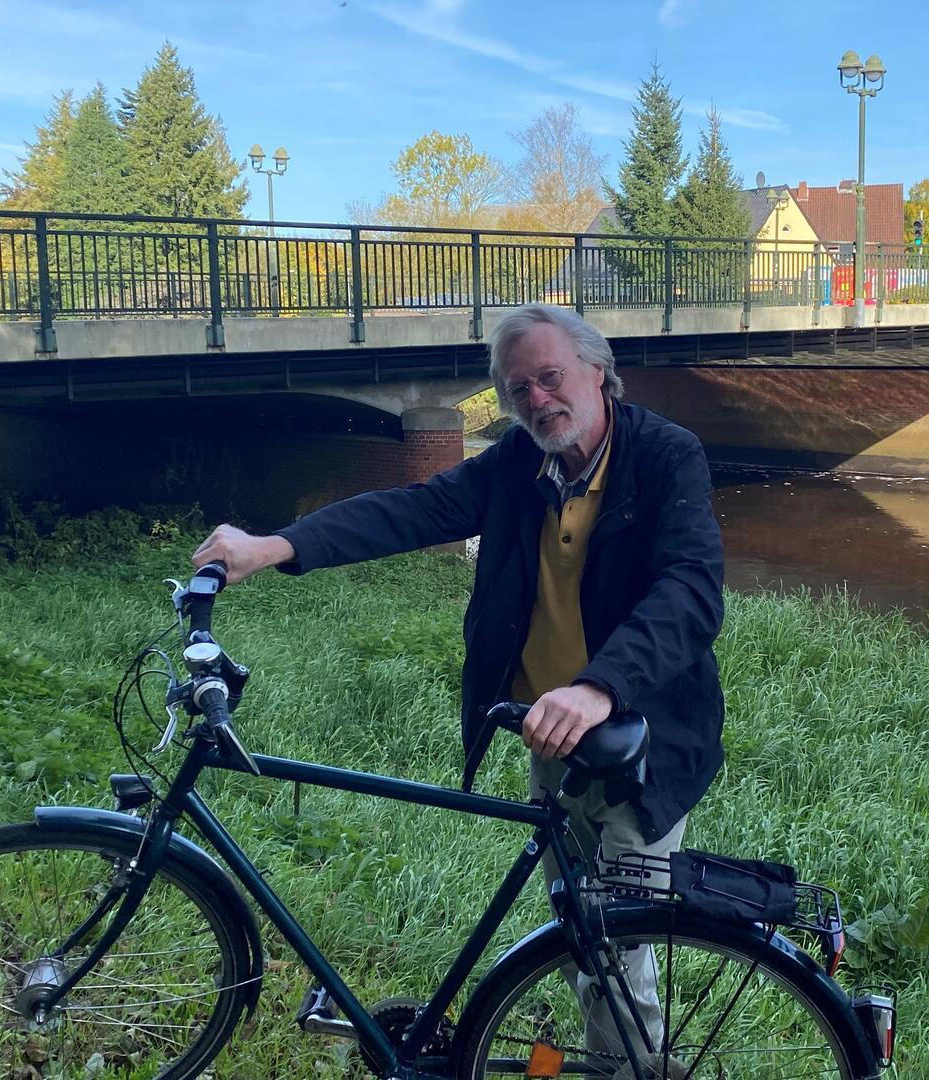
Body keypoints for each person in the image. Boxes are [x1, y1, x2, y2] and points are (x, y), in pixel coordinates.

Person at [190, 303, 725, 1071]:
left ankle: (638, 1071)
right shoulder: (519, 463)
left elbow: (691, 591)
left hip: (643, 741)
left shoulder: (667, 456)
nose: (537, 400)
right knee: (580, 935)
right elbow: (415, 509)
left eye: (550, 377)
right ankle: (627, 1062)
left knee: (615, 945)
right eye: (518, 389)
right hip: (551, 733)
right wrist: (276, 544)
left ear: (598, 371)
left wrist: (600, 687)